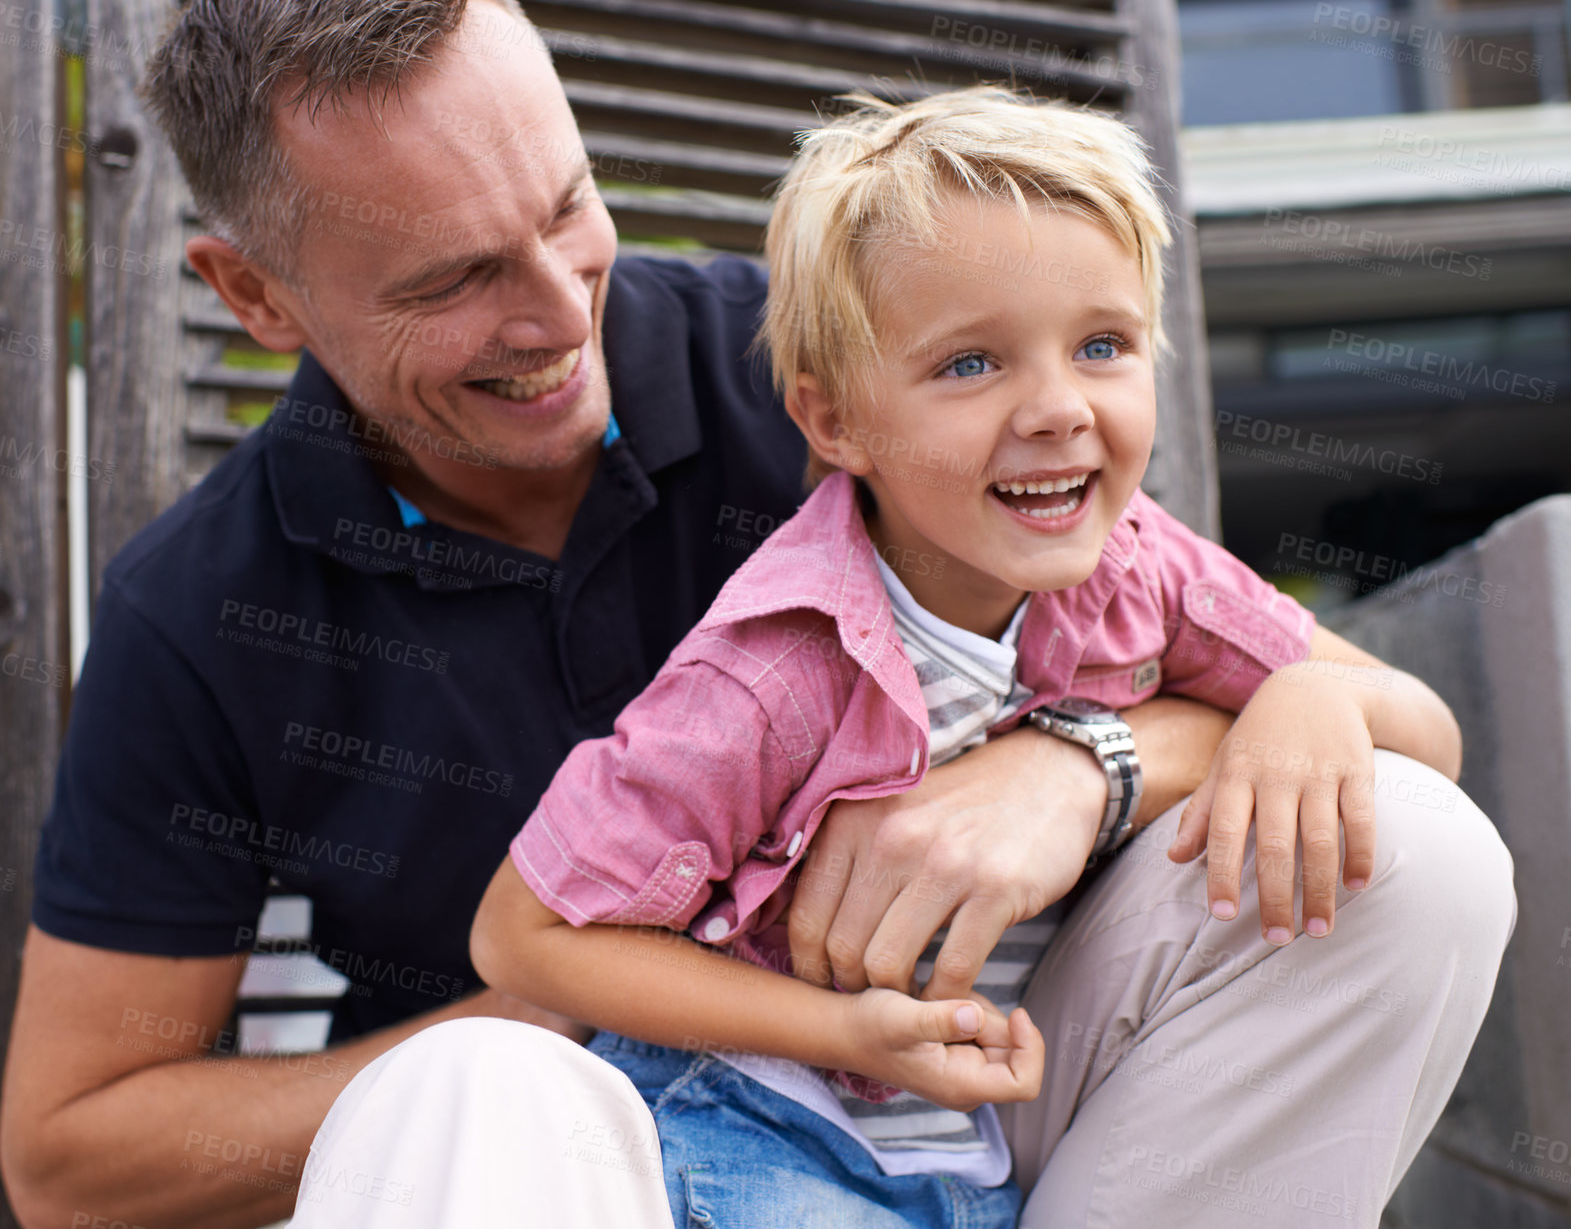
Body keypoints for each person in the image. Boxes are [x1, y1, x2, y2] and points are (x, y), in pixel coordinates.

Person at [0, 0, 1243, 1228]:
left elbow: (1280, 678)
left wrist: (1077, 764)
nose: (556, 316)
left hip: (980, 1089)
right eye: (455, 280)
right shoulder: (198, 611)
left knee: (1402, 839)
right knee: (476, 1082)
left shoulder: (845, 372)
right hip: (515, 1182)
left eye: (567, 206)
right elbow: (68, 1158)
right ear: (257, 300)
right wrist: (569, 1005)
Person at [466, 88, 1513, 1227]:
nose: (1058, 407)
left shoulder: (1143, 567)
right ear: (832, 421)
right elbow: (522, 931)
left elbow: (1428, 739)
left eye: (1102, 344)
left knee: (1401, 823)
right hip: (771, 1127)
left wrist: (1311, 696)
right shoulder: (776, 663)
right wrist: (841, 1029)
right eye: (970, 364)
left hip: (987, 1124)